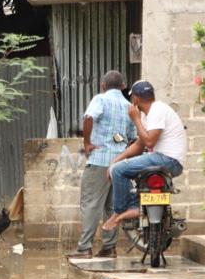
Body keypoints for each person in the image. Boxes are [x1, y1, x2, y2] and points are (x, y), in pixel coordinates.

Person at [102, 80, 188, 232]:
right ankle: (135, 207)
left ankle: (121, 211)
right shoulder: (150, 114)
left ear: (135, 99)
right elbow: (138, 146)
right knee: (117, 168)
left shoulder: (157, 111)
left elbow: (149, 142)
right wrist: (114, 162)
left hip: (168, 160)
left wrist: (135, 119)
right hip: (168, 161)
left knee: (119, 171)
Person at [69, 70, 136, 258]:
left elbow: (89, 117)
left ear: (103, 86)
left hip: (99, 161)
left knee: (91, 203)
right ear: (123, 86)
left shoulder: (100, 99)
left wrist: (87, 143)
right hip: (120, 164)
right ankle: (109, 247)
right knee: (112, 207)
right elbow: (132, 138)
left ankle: (84, 248)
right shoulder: (128, 105)